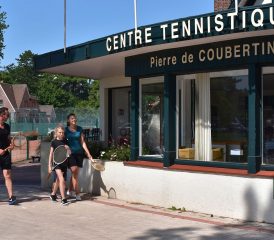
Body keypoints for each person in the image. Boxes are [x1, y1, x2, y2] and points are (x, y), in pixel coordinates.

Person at [65, 113, 94, 201]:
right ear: (68, 120)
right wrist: (65, 147)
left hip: (79, 154)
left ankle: (69, 190)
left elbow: (83, 142)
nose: (74, 119)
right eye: (72, 118)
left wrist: (88, 154)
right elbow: (62, 141)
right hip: (70, 154)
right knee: (74, 171)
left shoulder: (80, 129)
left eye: (75, 118)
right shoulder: (65, 130)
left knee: (75, 174)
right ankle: (77, 194)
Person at [48, 125, 70, 206]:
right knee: (61, 179)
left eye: (62, 132)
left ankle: (53, 194)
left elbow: (69, 153)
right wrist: (49, 166)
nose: (61, 134)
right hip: (56, 163)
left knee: (58, 180)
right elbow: (50, 155)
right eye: (60, 132)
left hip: (64, 162)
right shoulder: (54, 142)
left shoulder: (65, 141)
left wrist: (68, 149)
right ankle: (63, 199)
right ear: (56, 133)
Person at [0, 107, 16, 205]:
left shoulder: (7, 126)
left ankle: (11, 196)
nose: (8, 117)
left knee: (7, 175)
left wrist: (11, 145)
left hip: (5, 154)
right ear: (2, 115)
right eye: (7, 115)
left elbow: (8, 138)